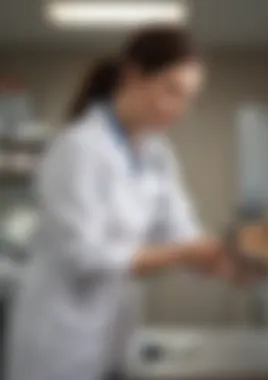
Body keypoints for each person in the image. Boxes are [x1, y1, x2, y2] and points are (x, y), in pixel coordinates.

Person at [7, 26, 233, 380]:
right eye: (171, 90)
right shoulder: (77, 148)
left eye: (188, 97)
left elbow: (181, 230)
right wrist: (182, 254)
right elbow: (85, 256)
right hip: (58, 346)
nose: (180, 108)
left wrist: (221, 259)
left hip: (113, 337)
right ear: (132, 75)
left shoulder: (158, 154)